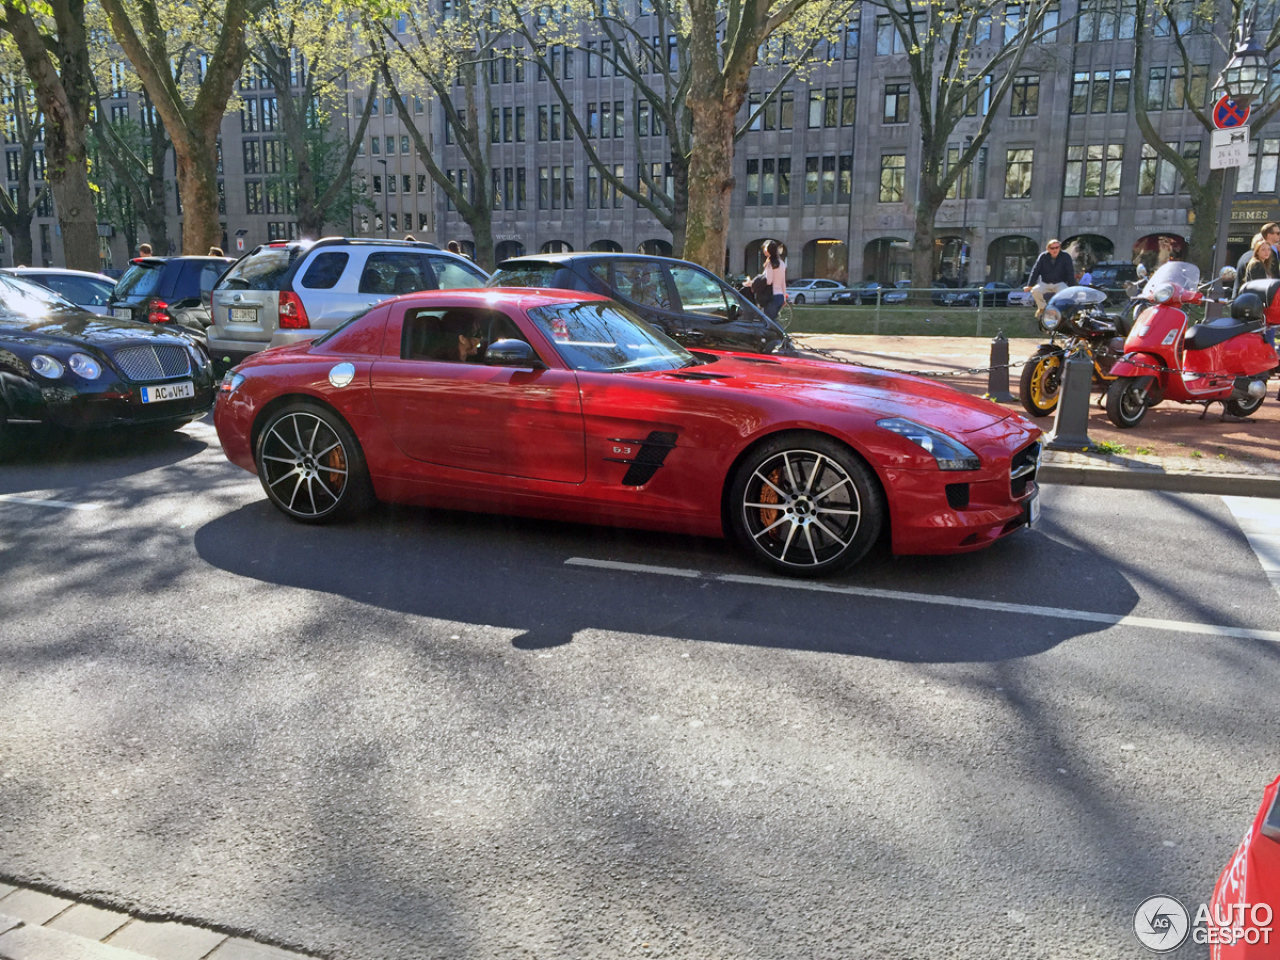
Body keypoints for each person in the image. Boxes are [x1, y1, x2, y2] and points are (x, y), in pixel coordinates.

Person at [1024, 239, 1075, 319]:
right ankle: (1042, 308)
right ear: (1048, 249)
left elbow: (1070, 272)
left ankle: (1059, 311)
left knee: (1067, 294)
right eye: (1052, 248)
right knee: (1035, 290)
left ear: (1059, 248)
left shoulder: (1066, 257)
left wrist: (1072, 287)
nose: (1055, 250)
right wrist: (1030, 285)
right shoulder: (1043, 256)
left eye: (1057, 247)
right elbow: (1035, 270)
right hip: (1045, 282)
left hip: (1059, 283)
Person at [1233, 223, 1280, 296]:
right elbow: (1259, 285)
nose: (1267, 252)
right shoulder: (1256, 264)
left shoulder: (1246, 256)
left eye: (1268, 249)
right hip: (1250, 300)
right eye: (1263, 249)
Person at [761, 240, 786, 322]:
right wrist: (784, 297)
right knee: (772, 320)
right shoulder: (782, 263)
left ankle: (782, 334)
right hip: (780, 296)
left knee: (769, 322)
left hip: (772, 296)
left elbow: (769, 281)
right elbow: (783, 282)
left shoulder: (770, 264)